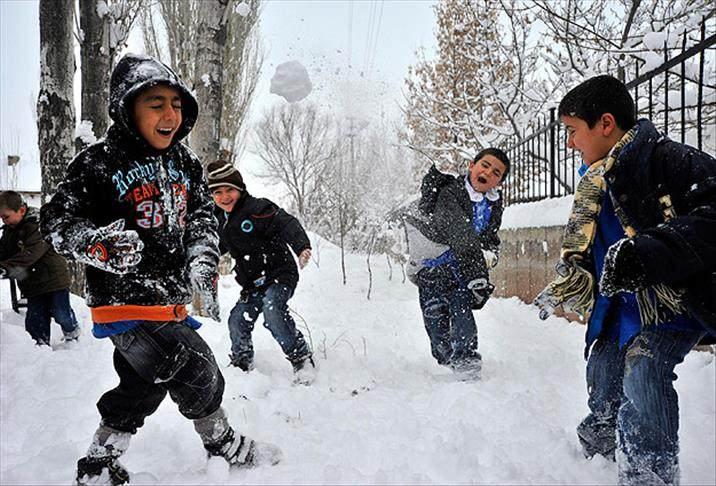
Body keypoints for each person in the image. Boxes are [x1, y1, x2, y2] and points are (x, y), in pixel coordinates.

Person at [40, 54, 279, 485]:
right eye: (156, 103)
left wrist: (203, 258)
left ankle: (100, 459)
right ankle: (221, 441)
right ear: (127, 108)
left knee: (141, 384)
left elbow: (204, 217)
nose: (170, 114)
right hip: (123, 301)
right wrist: (94, 243)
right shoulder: (97, 164)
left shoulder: (185, 165)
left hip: (168, 301)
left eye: (176, 103)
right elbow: (56, 220)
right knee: (196, 364)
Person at [534, 74, 716, 485]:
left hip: (673, 304)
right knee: (602, 371)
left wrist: (650, 253)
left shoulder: (668, 160)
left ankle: (648, 474)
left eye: (572, 131)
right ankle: (601, 445)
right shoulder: (594, 183)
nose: (569, 143)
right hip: (620, 306)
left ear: (605, 123)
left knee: (644, 368)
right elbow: (586, 250)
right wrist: (566, 283)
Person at [402, 148, 509, 380]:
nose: (488, 172)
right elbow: (461, 234)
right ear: (472, 165)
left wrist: (491, 252)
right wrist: (477, 274)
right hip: (433, 266)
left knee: (461, 310)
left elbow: (489, 236)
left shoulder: (493, 204)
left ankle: (466, 356)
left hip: (461, 267)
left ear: (498, 182)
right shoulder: (451, 193)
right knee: (435, 316)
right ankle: (446, 355)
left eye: (496, 172)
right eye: (485, 165)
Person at [207, 160, 315, 384]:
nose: (225, 197)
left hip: (279, 274)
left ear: (240, 189)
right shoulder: (220, 222)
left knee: (273, 309)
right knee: (237, 319)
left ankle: (300, 356)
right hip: (253, 283)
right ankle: (242, 360)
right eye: (218, 192)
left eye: (230, 190)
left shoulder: (257, 209)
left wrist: (301, 246)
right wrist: (205, 264)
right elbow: (215, 248)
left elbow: (286, 223)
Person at [0, 190, 80, 346]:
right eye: (2, 218)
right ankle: (40, 347)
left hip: (54, 280)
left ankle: (72, 332)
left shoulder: (38, 225)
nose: (4, 221)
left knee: (60, 312)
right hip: (32, 283)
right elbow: (3, 251)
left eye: (6, 217)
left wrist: (5, 268)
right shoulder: (10, 230)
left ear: (21, 210)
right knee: (35, 318)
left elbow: (31, 253)